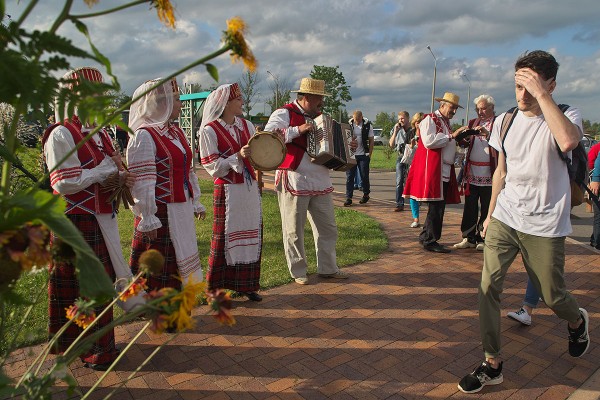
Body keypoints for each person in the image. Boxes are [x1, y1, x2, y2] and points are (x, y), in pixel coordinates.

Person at [458, 50, 590, 394]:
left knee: (552, 295)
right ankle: (492, 363)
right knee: (487, 289)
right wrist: (488, 217)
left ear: (551, 85)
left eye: (531, 85)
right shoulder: (506, 120)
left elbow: (568, 141)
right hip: (506, 216)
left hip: (545, 225)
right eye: (519, 85)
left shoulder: (567, 115)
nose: (523, 94)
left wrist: (542, 95)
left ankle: (576, 321)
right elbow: (502, 170)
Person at [43, 67, 135, 371]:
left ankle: (99, 347)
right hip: (75, 220)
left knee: (100, 283)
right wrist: (104, 172)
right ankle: (91, 350)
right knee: (82, 285)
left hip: (97, 217)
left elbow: (109, 167)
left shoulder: (97, 132)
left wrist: (120, 176)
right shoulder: (61, 133)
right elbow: (63, 182)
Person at [264, 77, 351, 285]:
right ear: (306, 97)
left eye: (322, 97)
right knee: (294, 229)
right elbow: (268, 137)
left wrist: (349, 145)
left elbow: (333, 145)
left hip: (320, 179)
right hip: (294, 178)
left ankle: (328, 268)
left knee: (328, 228)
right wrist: (297, 130)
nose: (321, 101)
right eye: (318, 97)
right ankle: (298, 270)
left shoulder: (323, 118)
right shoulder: (284, 113)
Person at [127, 77, 206, 293]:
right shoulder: (144, 135)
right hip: (161, 212)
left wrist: (195, 201)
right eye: (177, 99)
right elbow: (142, 182)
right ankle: (159, 310)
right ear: (162, 103)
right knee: (161, 264)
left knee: (179, 258)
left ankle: (176, 307)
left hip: (180, 209)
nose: (181, 104)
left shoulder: (176, 132)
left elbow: (188, 170)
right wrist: (147, 216)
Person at [198, 83, 263, 302]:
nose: (242, 102)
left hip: (248, 188)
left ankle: (247, 284)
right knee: (223, 238)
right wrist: (238, 156)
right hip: (226, 190)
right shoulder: (209, 130)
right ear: (225, 104)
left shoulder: (247, 125)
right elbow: (212, 166)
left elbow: (257, 157)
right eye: (238, 99)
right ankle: (215, 290)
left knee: (252, 232)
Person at [403, 92, 462, 253]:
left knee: (437, 207)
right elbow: (429, 142)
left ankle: (426, 236)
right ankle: (430, 240)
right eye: (452, 107)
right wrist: (451, 136)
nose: (454, 111)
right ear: (442, 105)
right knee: (436, 207)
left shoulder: (444, 122)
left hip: (442, 168)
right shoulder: (430, 119)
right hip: (433, 169)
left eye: (456, 108)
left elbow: (446, 142)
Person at [453, 94, 498, 251]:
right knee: (470, 206)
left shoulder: (498, 123)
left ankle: (483, 237)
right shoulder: (473, 122)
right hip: (472, 172)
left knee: (486, 206)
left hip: (490, 174)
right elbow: (465, 144)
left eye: (483, 108)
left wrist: (488, 134)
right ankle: (468, 237)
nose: (480, 112)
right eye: (478, 109)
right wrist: (463, 136)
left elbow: (504, 143)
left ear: (492, 107)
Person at [344, 110, 373, 207]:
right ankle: (349, 198)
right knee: (349, 177)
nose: (357, 122)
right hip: (351, 155)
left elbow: (371, 140)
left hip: (363, 155)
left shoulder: (368, 125)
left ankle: (366, 194)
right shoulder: (348, 125)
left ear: (362, 117)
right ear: (353, 118)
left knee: (364, 176)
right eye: (355, 120)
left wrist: (370, 154)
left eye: (358, 120)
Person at [389, 111, 412, 212]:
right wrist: (395, 132)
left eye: (402, 118)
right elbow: (391, 144)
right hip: (401, 157)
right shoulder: (397, 129)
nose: (400, 121)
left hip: (412, 157)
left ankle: (415, 202)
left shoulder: (413, 129)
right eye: (399, 119)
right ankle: (399, 203)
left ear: (407, 118)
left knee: (412, 181)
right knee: (399, 181)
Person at [406, 112, 424, 228]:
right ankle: (416, 218)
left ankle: (427, 219)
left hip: (425, 166)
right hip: (413, 166)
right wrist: (412, 146)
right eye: (417, 122)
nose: (419, 125)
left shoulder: (427, 133)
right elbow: (407, 157)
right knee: (412, 193)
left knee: (423, 193)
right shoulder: (410, 133)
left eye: (421, 122)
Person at [588, 142, 600, 248]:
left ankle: (595, 239)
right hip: (597, 184)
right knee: (599, 215)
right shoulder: (597, 147)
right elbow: (592, 163)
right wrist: (596, 179)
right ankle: (597, 242)